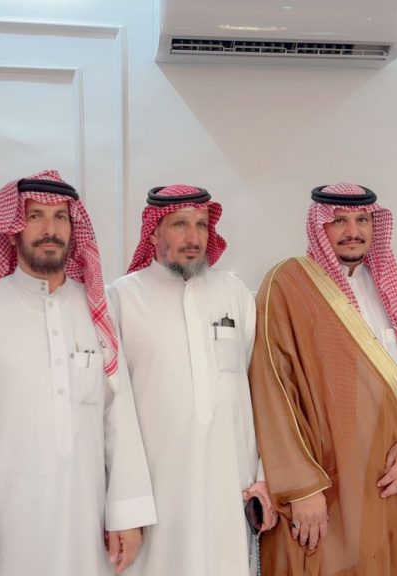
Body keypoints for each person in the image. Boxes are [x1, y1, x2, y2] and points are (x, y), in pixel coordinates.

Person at [0, 170, 156, 575]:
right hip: (0, 523)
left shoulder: (96, 310)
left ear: (74, 229)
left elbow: (118, 416)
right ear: (13, 229)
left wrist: (127, 513)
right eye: (35, 216)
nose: (49, 229)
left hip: (84, 520)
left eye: (60, 217)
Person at [249, 182, 397, 575]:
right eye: (339, 221)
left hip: (396, 472)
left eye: (362, 220)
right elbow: (271, 388)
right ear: (319, 226)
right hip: (330, 481)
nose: (353, 231)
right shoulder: (288, 283)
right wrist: (302, 486)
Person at [108, 185, 274, 575]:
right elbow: (114, 410)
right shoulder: (122, 299)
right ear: (153, 232)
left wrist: (265, 477)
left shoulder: (233, 292)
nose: (193, 237)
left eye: (201, 225)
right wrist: (126, 507)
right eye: (179, 225)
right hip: (157, 493)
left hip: (231, 485)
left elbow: (263, 390)